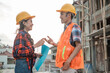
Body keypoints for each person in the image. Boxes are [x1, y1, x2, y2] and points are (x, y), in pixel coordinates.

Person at [45, 3, 84, 73]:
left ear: (69, 15)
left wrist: (68, 62)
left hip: (71, 67)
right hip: (65, 67)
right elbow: (65, 47)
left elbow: (79, 46)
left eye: (62, 14)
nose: (60, 16)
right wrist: (53, 43)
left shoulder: (74, 27)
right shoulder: (66, 30)